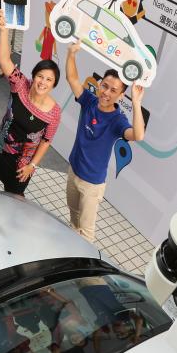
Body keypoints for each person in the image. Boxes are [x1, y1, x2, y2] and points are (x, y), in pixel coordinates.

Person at [64, 41, 146, 242]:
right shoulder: (89, 101)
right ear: (100, 85)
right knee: (74, 220)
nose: (107, 93)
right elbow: (72, 78)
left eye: (113, 90)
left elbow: (138, 135)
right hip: (74, 171)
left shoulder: (118, 120)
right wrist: (72, 54)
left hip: (92, 184)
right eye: (105, 86)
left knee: (87, 233)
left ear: (120, 95)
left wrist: (136, 103)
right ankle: (73, 250)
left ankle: (84, 267)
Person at [0, 11, 61, 196]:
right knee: (5, 189)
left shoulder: (54, 112)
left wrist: (32, 165)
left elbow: (46, 141)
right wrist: (4, 30)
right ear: (33, 75)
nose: (43, 82)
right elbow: (4, 60)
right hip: (2, 150)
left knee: (15, 196)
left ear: (54, 84)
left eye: (49, 79)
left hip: (22, 165)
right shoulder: (20, 84)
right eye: (40, 76)